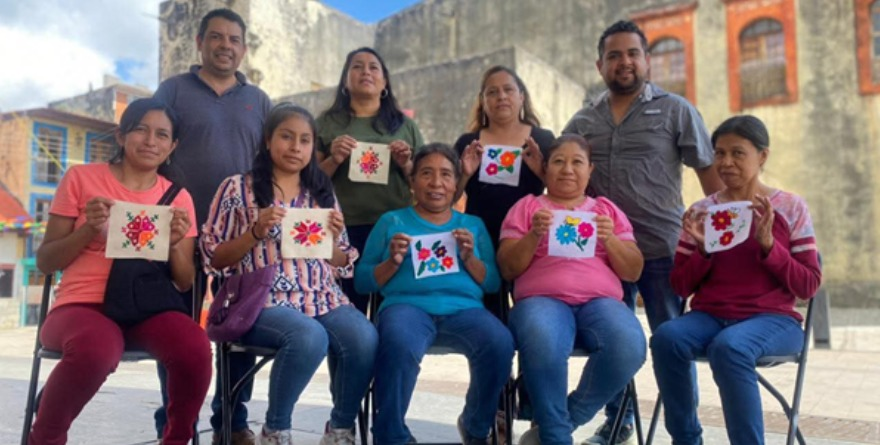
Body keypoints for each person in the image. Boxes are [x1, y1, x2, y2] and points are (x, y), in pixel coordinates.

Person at [562, 20, 723, 444]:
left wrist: (725, 238)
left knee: (673, 347)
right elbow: (561, 174)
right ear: (600, 65)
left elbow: (709, 176)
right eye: (614, 55)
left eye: (633, 53)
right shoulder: (582, 121)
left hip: (662, 253)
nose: (624, 62)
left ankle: (686, 435)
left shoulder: (676, 110)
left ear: (647, 60)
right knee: (612, 345)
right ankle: (618, 425)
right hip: (601, 258)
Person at [29, 98, 211, 445]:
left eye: (162, 134)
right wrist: (87, 230)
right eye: (141, 129)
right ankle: (45, 438)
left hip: (144, 308)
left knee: (195, 346)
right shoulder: (81, 179)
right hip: (80, 306)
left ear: (172, 146)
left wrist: (173, 242)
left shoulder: (178, 197)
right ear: (121, 135)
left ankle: (176, 439)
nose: (150, 141)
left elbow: (185, 281)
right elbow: (46, 261)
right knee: (97, 349)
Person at [202, 103, 377, 445]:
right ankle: (276, 430)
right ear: (268, 140)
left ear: (313, 148)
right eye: (286, 136)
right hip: (261, 300)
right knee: (308, 337)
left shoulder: (321, 192)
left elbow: (342, 261)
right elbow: (214, 256)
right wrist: (253, 232)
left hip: (322, 295)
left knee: (364, 337)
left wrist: (332, 244)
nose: (296, 147)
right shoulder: (237, 188)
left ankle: (340, 428)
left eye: (305, 140)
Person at [651, 115, 822, 445]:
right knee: (667, 338)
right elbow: (680, 287)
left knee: (730, 347)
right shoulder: (704, 211)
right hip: (710, 316)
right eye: (719, 153)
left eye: (737, 153)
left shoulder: (790, 207)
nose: (726, 163)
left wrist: (770, 247)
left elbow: (808, 285)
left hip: (774, 321)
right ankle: (686, 439)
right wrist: (703, 250)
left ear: (763, 156)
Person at [153, 8, 272, 444]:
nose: (225, 46)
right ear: (200, 42)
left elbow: (271, 162)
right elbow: (153, 144)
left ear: (243, 48)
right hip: (181, 230)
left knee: (240, 330)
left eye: (234, 39)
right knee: (178, 332)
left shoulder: (258, 100)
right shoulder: (173, 90)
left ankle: (232, 421)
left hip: (240, 238)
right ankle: (174, 423)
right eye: (217, 37)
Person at [355, 144, 514, 445]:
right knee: (398, 343)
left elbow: (492, 284)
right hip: (406, 307)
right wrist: (392, 262)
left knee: (500, 343)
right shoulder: (392, 222)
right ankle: (391, 435)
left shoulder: (472, 225)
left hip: (465, 311)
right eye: (426, 174)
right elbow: (363, 282)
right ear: (412, 181)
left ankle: (476, 426)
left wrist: (469, 258)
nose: (436, 183)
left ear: (456, 183)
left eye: (445, 175)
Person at [497, 135, 646, 445]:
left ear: (589, 170)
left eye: (577, 162)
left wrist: (611, 240)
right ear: (546, 168)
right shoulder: (527, 208)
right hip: (541, 301)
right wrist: (533, 235)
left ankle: (561, 423)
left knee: (629, 345)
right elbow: (508, 269)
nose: (567, 169)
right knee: (543, 340)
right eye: (558, 161)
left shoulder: (606, 210)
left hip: (601, 303)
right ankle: (555, 437)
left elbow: (633, 270)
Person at [316, 46, 424, 313]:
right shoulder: (327, 123)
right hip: (342, 229)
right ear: (345, 79)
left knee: (391, 311)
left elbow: (425, 184)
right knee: (346, 311)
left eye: (373, 67)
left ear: (384, 82)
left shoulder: (404, 125)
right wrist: (334, 159)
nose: (366, 72)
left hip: (393, 229)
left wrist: (406, 163)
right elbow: (310, 183)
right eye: (357, 66)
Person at [454, 64, 555, 312]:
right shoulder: (469, 143)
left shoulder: (542, 140)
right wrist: (465, 174)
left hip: (529, 235)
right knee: (489, 313)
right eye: (492, 92)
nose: (501, 97)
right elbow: (447, 197)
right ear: (483, 101)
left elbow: (563, 194)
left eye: (508, 90)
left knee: (531, 309)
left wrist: (540, 171)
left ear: (521, 96)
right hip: (480, 237)